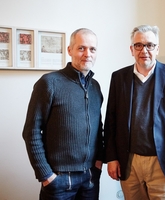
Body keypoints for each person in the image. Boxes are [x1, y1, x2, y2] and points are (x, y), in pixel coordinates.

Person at [104, 25, 165, 200]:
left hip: (163, 161)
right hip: (129, 161)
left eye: (150, 45)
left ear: (157, 49)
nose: (144, 50)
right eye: (138, 45)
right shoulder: (118, 77)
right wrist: (112, 157)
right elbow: (111, 120)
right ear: (131, 49)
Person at [22, 28, 104, 200]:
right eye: (81, 48)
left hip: (90, 178)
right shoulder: (49, 83)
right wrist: (46, 175)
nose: (87, 54)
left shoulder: (95, 87)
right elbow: (31, 132)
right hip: (58, 179)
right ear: (70, 50)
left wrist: (98, 162)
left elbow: (98, 127)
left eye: (92, 49)